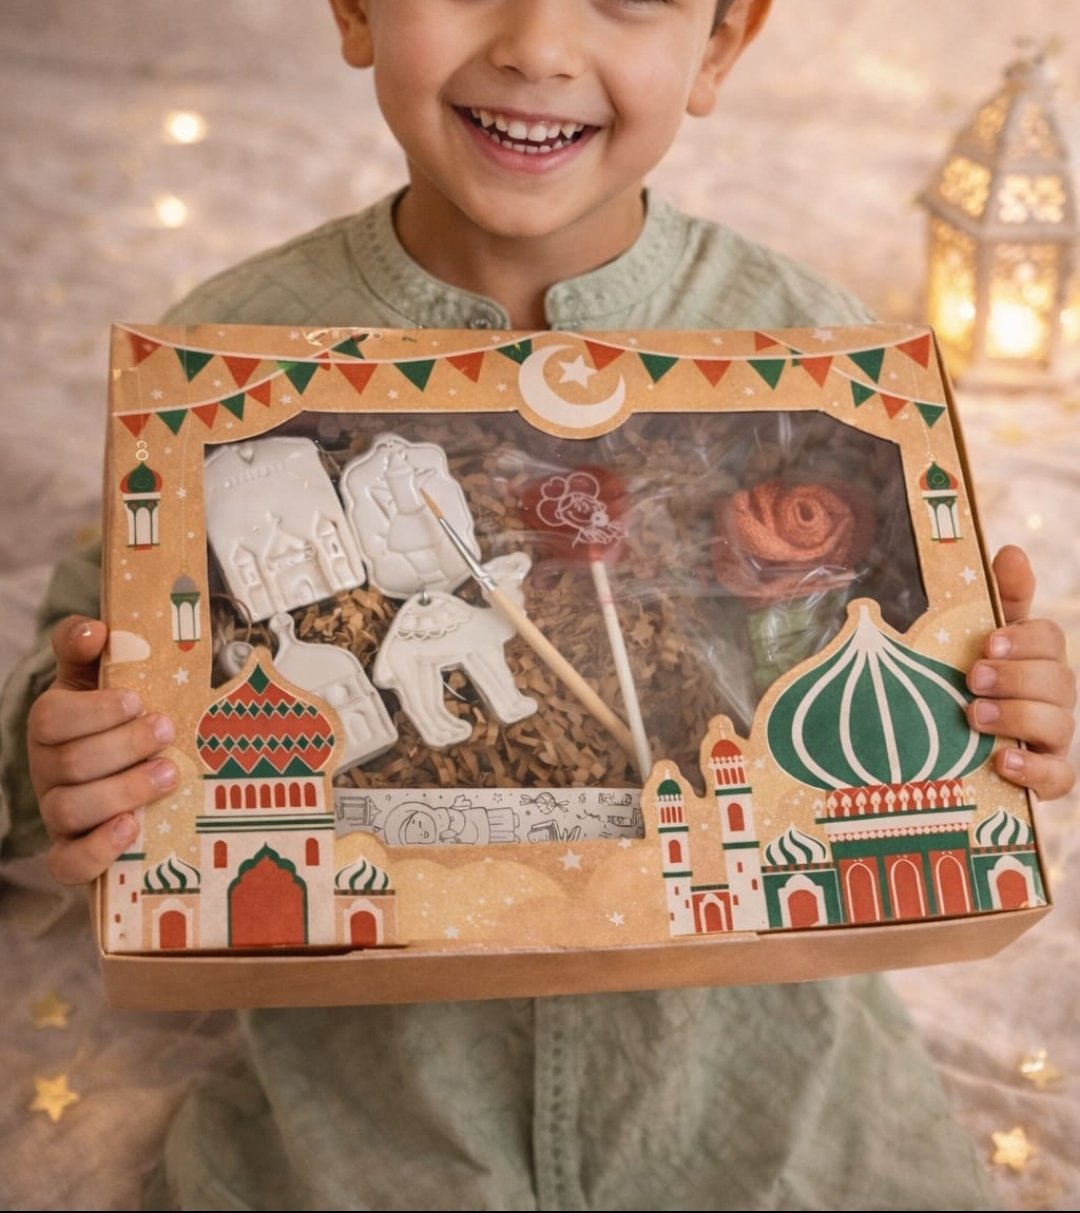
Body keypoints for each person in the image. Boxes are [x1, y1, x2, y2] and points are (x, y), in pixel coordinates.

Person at [2, 1, 1076, 1208]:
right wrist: (71, 738)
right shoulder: (229, 360)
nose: (538, 46)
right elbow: (91, 652)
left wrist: (999, 700)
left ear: (721, 44)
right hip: (377, 1130)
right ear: (355, 8)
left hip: (769, 1108)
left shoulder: (814, 353)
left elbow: (902, 663)